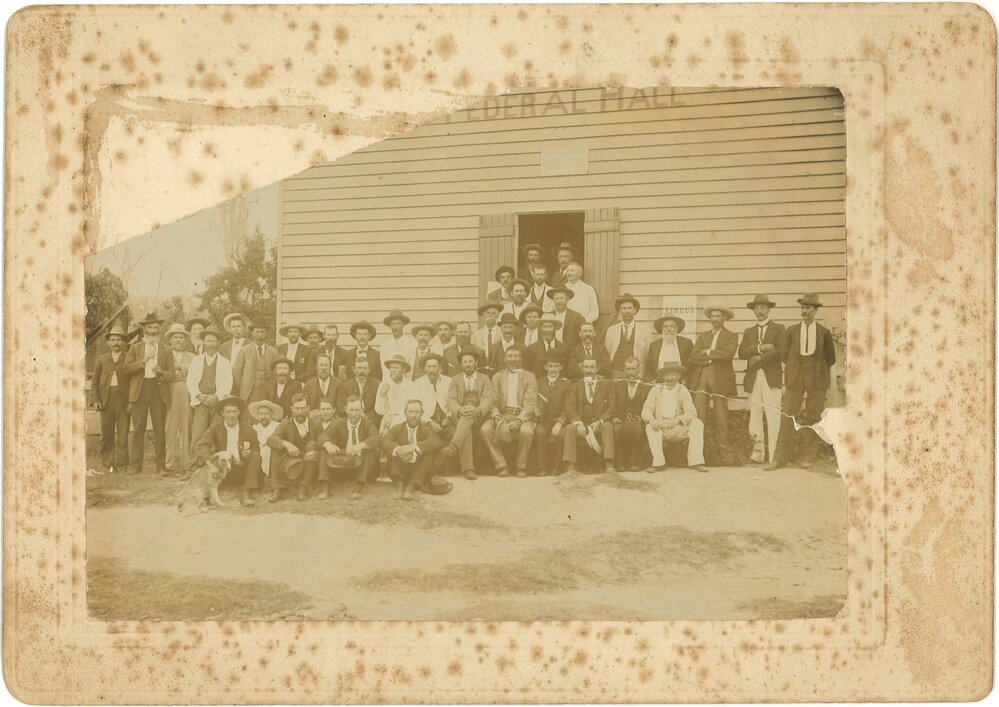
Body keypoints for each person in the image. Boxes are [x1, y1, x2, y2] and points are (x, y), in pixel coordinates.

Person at [767, 294, 837, 470]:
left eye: (808, 308)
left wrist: (816, 369)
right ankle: (780, 458)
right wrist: (795, 367)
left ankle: (808, 457)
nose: (804, 311)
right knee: (788, 415)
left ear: (815, 310)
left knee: (814, 417)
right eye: (803, 307)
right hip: (795, 376)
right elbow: (784, 355)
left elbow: (830, 358)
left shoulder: (824, 332)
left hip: (816, 377)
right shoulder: (792, 331)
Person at [124, 312, 175, 476]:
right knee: (138, 429)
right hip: (140, 390)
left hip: (158, 390)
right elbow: (126, 368)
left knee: (159, 429)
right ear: (144, 329)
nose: (153, 330)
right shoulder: (135, 348)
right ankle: (135, 465)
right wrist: (144, 360)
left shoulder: (166, 349)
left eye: (156, 327)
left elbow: (172, 374)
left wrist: (161, 372)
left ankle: (161, 466)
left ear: (160, 329)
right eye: (150, 327)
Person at [739, 295, 786, 465]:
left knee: (773, 415)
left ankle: (774, 457)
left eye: (762, 308)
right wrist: (761, 348)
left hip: (771, 377)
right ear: (754, 310)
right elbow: (742, 353)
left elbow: (781, 351)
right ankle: (758, 454)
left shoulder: (779, 329)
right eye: (757, 308)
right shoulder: (749, 331)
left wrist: (759, 358)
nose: (759, 311)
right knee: (755, 415)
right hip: (754, 377)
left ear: (768, 309)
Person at [193, 395, 260, 505]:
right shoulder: (215, 427)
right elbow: (201, 445)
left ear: (239, 412)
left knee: (256, 455)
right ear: (222, 413)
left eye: (234, 411)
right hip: (221, 470)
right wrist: (210, 464)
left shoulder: (249, 430)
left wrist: (248, 454)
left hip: (241, 469)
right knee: (204, 455)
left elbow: (255, 449)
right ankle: (204, 494)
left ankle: (246, 492)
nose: (232, 415)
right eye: (228, 412)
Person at [642, 363, 709, 473]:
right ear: (663, 376)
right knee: (650, 427)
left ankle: (696, 462)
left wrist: (678, 419)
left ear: (678, 376)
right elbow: (646, 409)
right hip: (661, 427)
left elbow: (692, 412)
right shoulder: (656, 390)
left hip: (678, 428)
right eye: (667, 375)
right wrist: (651, 420)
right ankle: (659, 463)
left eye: (672, 375)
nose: (669, 378)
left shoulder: (683, 390)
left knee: (697, 423)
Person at [481, 347, 538, 477]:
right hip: (503, 413)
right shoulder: (497, 377)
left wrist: (519, 420)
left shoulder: (529, 377)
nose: (513, 359)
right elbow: (492, 400)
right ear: (505, 359)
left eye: (516, 356)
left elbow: (530, 403)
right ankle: (502, 465)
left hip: (523, 414)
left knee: (526, 431)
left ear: (521, 359)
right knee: (485, 429)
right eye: (510, 356)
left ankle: (521, 466)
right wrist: (495, 414)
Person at [687, 305, 738, 441]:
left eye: (718, 316)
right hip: (702, 375)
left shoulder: (731, 336)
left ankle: (722, 444)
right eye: (712, 316)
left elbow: (728, 354)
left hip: (720, 377)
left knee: (721, 412)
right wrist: (713, 357)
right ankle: (698, 444)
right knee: (699, 410)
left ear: (724, 318)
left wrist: (708, 352)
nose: (714, 319)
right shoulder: (703, 336)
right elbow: (694, 356)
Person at [442, 350, 495, 480]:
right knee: (466, 423)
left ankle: (454, 447)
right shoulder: (455, 379)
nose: (467, 364)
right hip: (460, 414)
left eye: (470, 361)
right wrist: (460, 410)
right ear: (461, 364)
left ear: (476, 363)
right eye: (465, 362)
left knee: (467, 419)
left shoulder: (484, 378)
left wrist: (477, 410)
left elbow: (488, 398)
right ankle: (468, 469)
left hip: (479, 414)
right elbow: (451, 400)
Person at [317, 396, 381, 499]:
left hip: (362, 466)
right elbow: (323, 436)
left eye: (357, 410)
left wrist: (360, 446)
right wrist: (328, 444)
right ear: (346, 409)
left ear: (362, 410)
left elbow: (376, 438)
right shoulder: (340, 424)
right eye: (351, 410)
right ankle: (325, 487)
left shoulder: (368, 424)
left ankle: (358, 487)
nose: (354, 413)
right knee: (324, 449)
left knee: (370, 450)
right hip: (344, 464)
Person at [562, 357, 617, 473]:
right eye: (586, 367)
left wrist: (600, 421)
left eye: (592, 367)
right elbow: (569, 407)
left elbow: (612, 407)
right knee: (570, 429)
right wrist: (578, 423)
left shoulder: (607, 385)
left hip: (598, 423)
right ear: (582, 369)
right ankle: (570, 466)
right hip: (581, 423)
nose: (589, 370)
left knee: (608, 426)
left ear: (597, 369)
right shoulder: (575, 386)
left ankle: (609, 464)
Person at [380, 400, 443, 501]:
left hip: (418, 472)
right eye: (411, 412)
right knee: (392, 450)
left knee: (429, 453)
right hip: (400, 469)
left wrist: (414, 447)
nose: (414, 415)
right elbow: (384, 441)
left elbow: (436, 441)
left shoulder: (426, 429)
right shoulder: (397, 428)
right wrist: (399, 450)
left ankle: (412, 487)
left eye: (417, 412)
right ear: (405, 413)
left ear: (422, 414)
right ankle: (399, 484)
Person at [186, 327, 233, 463]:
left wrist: (216, 396)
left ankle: (215, 464)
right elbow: (190, 381)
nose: (210, 344)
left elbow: (228, 382)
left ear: (218, 343)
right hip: (201, 402)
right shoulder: (196, 360)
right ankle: (195, 463)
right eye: (208, 341)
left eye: (213, 341)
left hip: (217, 403)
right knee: (198, 434)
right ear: (203, 342)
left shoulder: (225, 362)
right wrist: (199, 395)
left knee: (216, 433)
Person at [89, 325, 131, 473]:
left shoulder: (128, 357)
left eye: (119, 339)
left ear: (123, 342)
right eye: (113, 340)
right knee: (106, 433)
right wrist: (95, 400)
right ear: (108, 342)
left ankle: (122, 463)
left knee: (123, 433)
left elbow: (134, 381)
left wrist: (132, 401)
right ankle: (108, 464)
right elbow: (95, 381)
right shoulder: (102, 359)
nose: (116, 343)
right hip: (106, 400)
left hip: (123, 401)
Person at [266, 393, 318, 501]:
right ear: (291, 409)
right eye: (297, 408)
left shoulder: (315, 424)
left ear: (308, 408)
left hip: (308, 462)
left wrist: (317, 452)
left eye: (303, 408)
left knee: (312, 444)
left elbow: (322, 440)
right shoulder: (286, 424)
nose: (300, 412)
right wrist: (286, 444)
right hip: (290, 462)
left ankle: (303, 489)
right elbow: (270, 440)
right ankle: (277, 490)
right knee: (275, 448)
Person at [163, 323, 195, 474]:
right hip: (170, 393)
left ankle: (185, 462)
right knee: (170, 428)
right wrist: (181, 372)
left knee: (185, 427)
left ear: (185, 340)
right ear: (170, 339)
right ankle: (169, 462)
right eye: (175, 337)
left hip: (187, 393)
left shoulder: (192, 356)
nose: (178, 340)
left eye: (181, 337)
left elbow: (194, 374)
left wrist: (178, 370)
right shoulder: (165, 354)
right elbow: (164, 374)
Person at [611, 356, 652, 471]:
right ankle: (619, 463)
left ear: (639, 369)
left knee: (638, 429)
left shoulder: (646, 386)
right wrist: (614, 417)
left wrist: (642, 417)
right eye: (628, 369)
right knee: (616, 429)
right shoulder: (617, 385)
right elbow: (613, 403)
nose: (631, 372)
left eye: (633, 369)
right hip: (621, 418)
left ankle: (635, 462)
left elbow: (649, 405)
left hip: (639, 418)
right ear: (624, 370)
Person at [534, 349, 571, 475]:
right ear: (545, 367)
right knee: (539, 433)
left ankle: (557, 467)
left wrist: (560, 422)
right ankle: (541, 468)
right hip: (543, 420)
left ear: (561, 367)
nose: (553, 369)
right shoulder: (539, 382)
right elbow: (533, 400)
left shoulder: (567, 384)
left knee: (561, 435)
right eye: (550, 366)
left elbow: (568, 407)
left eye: (556, 366)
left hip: (560, 421)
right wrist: (535, 410)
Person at [604, 293, 652, 380]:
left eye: (630, 308)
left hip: (636, 372)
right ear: (620, 311)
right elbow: (606, 353)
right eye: (624, 308)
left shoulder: (645, 331)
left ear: (634, 310)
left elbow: (649, 354)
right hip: (616, 371)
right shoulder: (611, 330)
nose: (627, 311)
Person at [231, 322, 278, 404]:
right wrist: (243, 386)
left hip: (267, 390)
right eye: (257, 332)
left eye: (262, 332)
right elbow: (236, 371)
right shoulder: (244, 350)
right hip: (250, 390)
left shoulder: (273, 351)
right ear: (252, 333)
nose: (260, 335)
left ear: (266, 334)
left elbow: (276, 372)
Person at [247, 400, 282, 505]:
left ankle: (275, 487)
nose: (263, 416)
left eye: (266, 413)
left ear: (271, 414)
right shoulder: (254, 428)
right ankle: (256, 485)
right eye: (261, 414)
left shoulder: (278, 426)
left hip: (274, 453)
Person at [414, 354, 453, 446]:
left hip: (446, 421)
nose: (431, 370)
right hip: (427, 422)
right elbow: (417, 409)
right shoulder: (418, 384)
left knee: (456, 437)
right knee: (433, 442)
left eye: (434, 366)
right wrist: (430, 423)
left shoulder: (449, 381)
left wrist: (449, 418)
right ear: (425, 368)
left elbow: (453, 402)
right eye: (429, 367)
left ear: (440, 367)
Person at [375, 354, 419, 433]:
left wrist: (395, 418)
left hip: (406, 420)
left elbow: (413, 409)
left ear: (404, 370)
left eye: (396, 368)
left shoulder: (411, 386)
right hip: (387, 419)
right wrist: (382, 395)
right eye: (391, 367)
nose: (393, 370)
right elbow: (379, 410)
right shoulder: (384, 384)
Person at [645, 315, 694, 383]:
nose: (669, 329)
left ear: (677, 329)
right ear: (662, 329)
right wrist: (652, 380)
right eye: (665, 326)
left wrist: (686, 380)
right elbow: (648, 367)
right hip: (659, 382)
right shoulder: (654, 345)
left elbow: (693, 365)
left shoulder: (686, 343)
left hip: (680, 382)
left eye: (672, 326)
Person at [337, 358, 379, 425]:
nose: (362, 371)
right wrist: (354, 414)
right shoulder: (345, 386)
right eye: (359, 368)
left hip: (371, 421)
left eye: (364, 368)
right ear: (354, 369)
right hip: (351, 421)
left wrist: (367, 417)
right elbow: (340, 405)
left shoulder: (377, 385)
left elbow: (379, 406)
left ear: (369, 369)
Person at [310, 400, 339, 498]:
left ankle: (324, 487)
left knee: (324, 450)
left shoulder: (339, 423)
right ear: (319, 410)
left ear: (334, 410)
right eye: (323, 409)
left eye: (328, 409)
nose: (325, 412)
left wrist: (327, 444)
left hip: (333, 456)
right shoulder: (315, 424)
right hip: (316, 456)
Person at [524, 313, 567, 378]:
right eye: (545, 327)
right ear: (541, 328)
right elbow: (528, 371)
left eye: (550, 327)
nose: (547, 330)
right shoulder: (532, 348)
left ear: (555, 328)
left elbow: (565, 371)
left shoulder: (564, 348)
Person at [380, 309, 417, 380]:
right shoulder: (384, 344)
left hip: (405, 382)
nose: (395, 327)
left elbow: (411, 368)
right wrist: (387, 383)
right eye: (393, 324)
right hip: (389, 382)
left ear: (403, 325)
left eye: (398, 323)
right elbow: (384, 369)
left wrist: (406, 383)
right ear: (389, 326)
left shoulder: (412, 344)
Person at [304, 353, 340, 421]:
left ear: (330, 367)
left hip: (334, 421)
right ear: (316, 367)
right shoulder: (309, 385)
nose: (323, 368)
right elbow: (306, 405)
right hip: (314, 420)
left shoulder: (339, 384)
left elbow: (340, 407)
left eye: (326, 365)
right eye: (321, 365)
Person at [472, 302, 502, 367]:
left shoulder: (502, 333)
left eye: (493, 313)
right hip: (481, 367)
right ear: (483, 315)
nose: (491, 315)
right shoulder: (476, 335)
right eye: (488, 313)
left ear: (497, 316)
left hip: (498, 367)